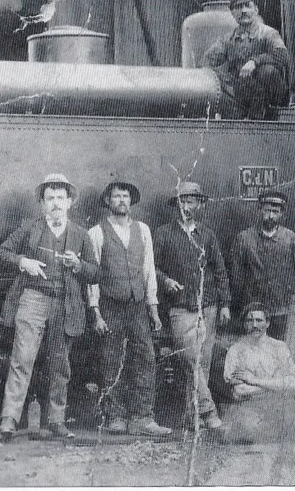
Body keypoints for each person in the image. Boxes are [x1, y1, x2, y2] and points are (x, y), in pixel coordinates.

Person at [0, 174, 100, 440]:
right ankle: (9, 420)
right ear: (42, 204)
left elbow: (95, 273)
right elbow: (2, 252)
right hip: (33, 298)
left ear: (70, 203)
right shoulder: (30, 228)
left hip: (65, 303)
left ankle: (56, 420)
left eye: (60, 198)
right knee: (23, 359)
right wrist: (24, 262)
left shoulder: (80, 234)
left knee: (60, 364)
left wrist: (77, 264)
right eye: (50, 198)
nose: (55, 203)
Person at [87, 181, 172, 437]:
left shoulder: (143, 230)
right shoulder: (96, 233)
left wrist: (153, 308)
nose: (121, 200)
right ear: (108, 201)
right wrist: (96, 312)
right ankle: (115, 417)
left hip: (137, 307)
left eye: (125, 196)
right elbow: (92, 276)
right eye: (116, 196)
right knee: (112, 359)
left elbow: (149, 271)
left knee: (145, 359)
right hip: (110, 305)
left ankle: (143, 417)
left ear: (131, 201)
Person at [153, 181, 231, 430]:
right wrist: (165, 280)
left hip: (207, 306)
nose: (186, 206)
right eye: (182, 201)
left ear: (199, 205)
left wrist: (225, 304)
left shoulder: (207, 235)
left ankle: (193, 417)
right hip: (179, 308)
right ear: (176, 205)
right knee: (190, 361)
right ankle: (209, 413)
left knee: (203, 363)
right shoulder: (163, 233)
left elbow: (219, 270)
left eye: (191, 201)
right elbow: (151, 268)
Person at [227, 191, 295, 341]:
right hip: (255, 312)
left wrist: (293, 303)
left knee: (283, 354)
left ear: (282, 214)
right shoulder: (244, 239)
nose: (271, 216)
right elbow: (236, 277)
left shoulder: (291, 239)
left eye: (275, 212)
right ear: (259, 210)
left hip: (284, 310)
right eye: (267, 211)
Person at [203, 0, 291, 120]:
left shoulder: (268, 33)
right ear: (232, 13)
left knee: (267, 71)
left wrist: (254, 62)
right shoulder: (228, 40)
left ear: (256, 9)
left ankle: (257, 118)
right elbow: (208, 60)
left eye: (247, 6)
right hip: (245, 94)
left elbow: (282, 55)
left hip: (272, 95)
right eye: (238, 7)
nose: (243, 10)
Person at [222, 302, 295, 443]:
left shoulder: (280, 347)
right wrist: (275, 386)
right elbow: (239, 391)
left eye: (259, 320)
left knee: (292, 421)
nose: (255, 325)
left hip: (277, 406)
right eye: (250, 321)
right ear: (244, 324)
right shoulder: (236, 350)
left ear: (268, 323)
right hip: (249, 408)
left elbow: (292, 383)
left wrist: (254, 381)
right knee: (247, 429)